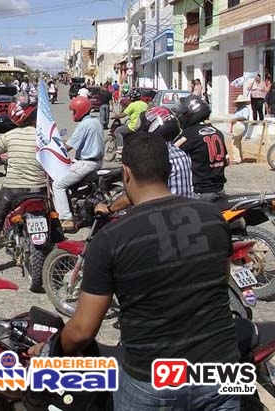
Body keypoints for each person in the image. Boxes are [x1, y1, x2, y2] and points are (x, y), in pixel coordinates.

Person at [30, 132, 239, 411]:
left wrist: (52, 350)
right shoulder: (212, 216)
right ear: (168, 170)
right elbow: (219, 281)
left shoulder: (112, 239)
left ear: (126, 172)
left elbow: (81, 331)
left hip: (152, 381)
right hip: (222, 371)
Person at [0, 96, 47, 293]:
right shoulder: (43, 134)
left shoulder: (10, 136)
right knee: (52, 217)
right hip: (39, 188)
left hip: (13, 189)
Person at [94, 107, 194, 215]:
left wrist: (109, 208)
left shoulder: (156, 157)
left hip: (163, 214)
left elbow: (139, 192)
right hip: (185, 210)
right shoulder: (180, 153)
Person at [53, 96, 104, 231]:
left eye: (74, 111)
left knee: (58, 185)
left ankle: (66, 218)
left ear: (80, 110)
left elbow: (68, 147)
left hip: (86, 163)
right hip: (96, 162)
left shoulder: (84, 125)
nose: (73, 114)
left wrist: (54, 148)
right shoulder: (95, 122)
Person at [173, 95, 228, 201]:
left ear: (189, 114)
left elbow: (171, 153)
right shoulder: (217, 132)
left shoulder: (189, 134)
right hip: (219, 189)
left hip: (200, 192)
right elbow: (226, 160)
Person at [229, 94, 251, 164]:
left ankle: (237, 159)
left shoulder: (245, 109)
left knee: (234, 142)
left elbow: (244, 117)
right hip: (236, 126)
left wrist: (236, 119)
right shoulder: (238, 109)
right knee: (237, 142)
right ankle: (239, 158)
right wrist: (231, 127)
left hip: (240, 126)